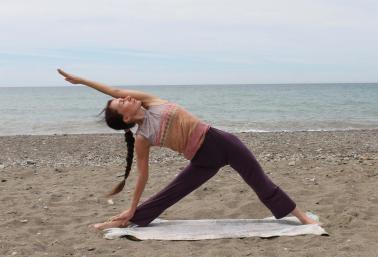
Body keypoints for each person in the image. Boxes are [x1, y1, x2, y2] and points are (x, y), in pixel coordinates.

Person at [57, 69, 318, 230]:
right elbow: (142, 176)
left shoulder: (150, 101)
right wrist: (132, 206)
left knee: (260, 182)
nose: (124, 97)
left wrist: (81, 81)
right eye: (120, 103)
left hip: (222, 142)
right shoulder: (143, 137)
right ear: (126, 118)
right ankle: (127, 219)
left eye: (122, 96)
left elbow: (112, 89)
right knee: (169, 194)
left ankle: (302, 217)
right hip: (201, 160)